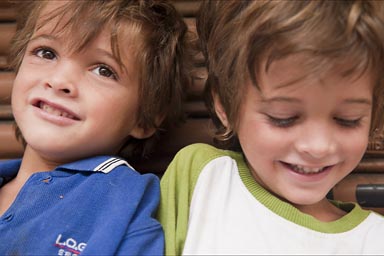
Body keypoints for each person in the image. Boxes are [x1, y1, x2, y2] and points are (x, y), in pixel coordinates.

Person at [158, 0, 384, 254]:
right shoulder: (205, 175)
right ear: (226, 107)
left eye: (348, 119)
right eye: (283, 117)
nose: (318, 147)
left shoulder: (375, 241)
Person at [0, 0, 192, 255]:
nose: (59, 81)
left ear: (144, 119)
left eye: (103, 70)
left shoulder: (124, 203)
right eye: (46, 53)